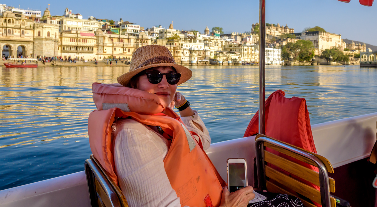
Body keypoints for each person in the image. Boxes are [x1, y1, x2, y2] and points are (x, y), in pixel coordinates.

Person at [90, 45, 255, 207]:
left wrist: (183, 106)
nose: (164, 84)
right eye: (154, 76)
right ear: (134, 84)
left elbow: (201, 142)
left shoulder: (157, 122)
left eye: (171, 77)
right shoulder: (134, 136)